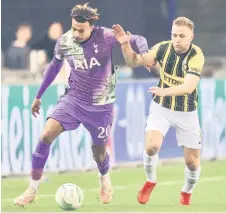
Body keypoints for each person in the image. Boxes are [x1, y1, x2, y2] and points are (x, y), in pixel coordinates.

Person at [14, 3, 149, 206]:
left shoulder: (106, 36)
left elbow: (138, 39)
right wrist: (39, 95)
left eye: (81, 30)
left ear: (91, 26)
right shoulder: (65, 41)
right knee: (46, 133)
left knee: (99, 152)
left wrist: (144, 53)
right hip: (74, 100)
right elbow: (53, 68)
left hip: (101, 106)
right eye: (74, 28)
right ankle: (32, 189)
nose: (76, 34)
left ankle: (104, 178)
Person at [114, 17, 205, 205]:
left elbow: (188, 87)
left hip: (186, 111)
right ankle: (150, 181)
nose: (177, 40)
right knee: (151, 147)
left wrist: (164, 91)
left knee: (192, 163)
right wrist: (125, 45)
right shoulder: (163, 48)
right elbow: (134, 62)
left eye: (182, 36)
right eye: (174, 35)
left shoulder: (196, 55)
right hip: (161, 107)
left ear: (191, 37)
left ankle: (186, 191)